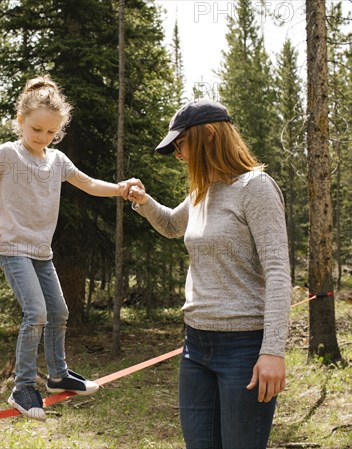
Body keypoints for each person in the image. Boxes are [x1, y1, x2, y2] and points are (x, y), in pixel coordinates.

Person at [123, 99, 291, 449]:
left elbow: (277, 271)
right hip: (195, 347)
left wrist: (273, 350)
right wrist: (143, 200)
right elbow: (171, 225)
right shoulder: (203, 191)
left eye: (181, 145)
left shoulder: (255, 188)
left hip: (244, 348)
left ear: (209, 135)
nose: (179, 155)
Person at [0, 75, 130, 421]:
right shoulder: (8, 154)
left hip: (41, 251)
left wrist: (121, 188)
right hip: (11, 247)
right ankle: (23, 386)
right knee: (36, 313)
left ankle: (58, 374)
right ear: (21, 120)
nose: (42, 137)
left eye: (50, 133)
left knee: (60, 312)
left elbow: (88, 184)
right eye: (36, 129)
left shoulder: (57, 161)